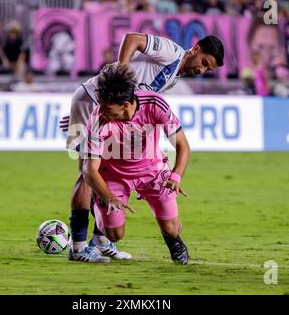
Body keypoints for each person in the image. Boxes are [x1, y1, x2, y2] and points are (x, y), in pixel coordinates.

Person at [64, 32, 224, 263]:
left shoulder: (174, 75)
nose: (201, 70)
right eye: (204, 63)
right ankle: (78, 246)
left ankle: (101, 239)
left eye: (207, 70)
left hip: (108, 105)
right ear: (195, 48)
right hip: (98, 100)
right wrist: (122, 68)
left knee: (108, 166)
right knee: (88, 171)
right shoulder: (172, 53)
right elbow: (133, 38)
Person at [83, 63, 191, 264]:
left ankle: (174, 242)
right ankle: (98, 203)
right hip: (114, 175)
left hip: (153, 171)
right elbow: (89, 170)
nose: (101, 110)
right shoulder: (98, 118)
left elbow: (183, 145)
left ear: (125, 104)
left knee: (172, 229)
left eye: (106, 107)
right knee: (114, 234)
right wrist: (108, 197)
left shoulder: (155, 105)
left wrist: (175, 176)